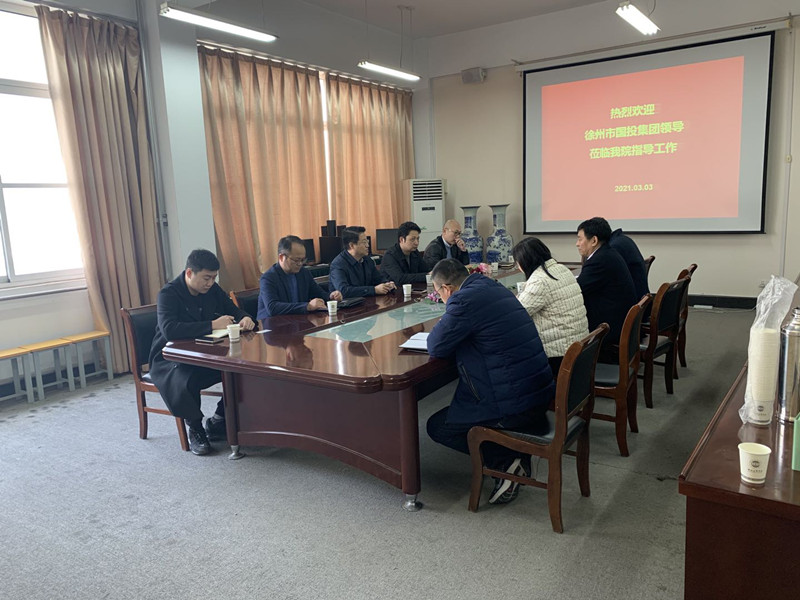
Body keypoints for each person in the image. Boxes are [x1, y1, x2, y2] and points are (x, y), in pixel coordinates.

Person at [426, 258, 555, 505]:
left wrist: (446, 320)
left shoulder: (463, 300)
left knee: (438, 426)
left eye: (438, 293)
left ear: (446, 289)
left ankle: (505, 462)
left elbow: (436, 345)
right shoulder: (492, 286)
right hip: (538, 391)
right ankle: (516, 454)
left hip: (514, 403)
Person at [148, 249, 255, 455]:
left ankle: (219, 419)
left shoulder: (212, 289)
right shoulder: (168, 294)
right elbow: (169, 330)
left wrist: (245, 317)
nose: (210, 283)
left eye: (214, 278)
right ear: (189, 273)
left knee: (240, 370)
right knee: (186, 379)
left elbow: (233, 309)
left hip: (205, 351)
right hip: (169, 357)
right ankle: (195, 428)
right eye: (206, 278)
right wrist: (212, 324)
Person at [513, 237, 589, 377]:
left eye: (518, 263)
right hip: (579, 347)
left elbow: (517, 313)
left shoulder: (540, 280)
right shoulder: (561, 269)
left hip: (559, 355)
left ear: (525, 262)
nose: (518, 267)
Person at [575, 217, 637, 362]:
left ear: (594, 240)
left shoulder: (599, 260)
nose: (577, 244)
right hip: (619, 319)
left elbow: (576, 290)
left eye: (580, 239)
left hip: (610, 328)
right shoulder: (607, 253)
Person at [257, 235, 342, 320]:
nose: (300, 264)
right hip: (273, 323)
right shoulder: (268, 278)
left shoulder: (303, 273)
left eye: (303, 260)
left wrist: (330, 296)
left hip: (298, 321)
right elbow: (272, 308)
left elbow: (318, 293)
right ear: (281, 257)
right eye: (296, 260)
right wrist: (307, 306)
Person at [330, 226, 396, 298]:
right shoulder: (338, 264)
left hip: (367, 301)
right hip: (348, 304)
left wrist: (387, 283)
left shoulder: (367, 260)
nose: (367, 245)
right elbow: (344, 291)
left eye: (367, 241)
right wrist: (373, 290)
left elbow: (378, 278)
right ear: (351, 245)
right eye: (364, 242)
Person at [608, 224, 649, 303]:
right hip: (642, 298)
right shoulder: (623, 239)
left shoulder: (614, 247)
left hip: (633, 302)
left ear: (594, 240)